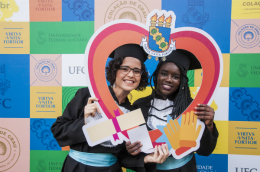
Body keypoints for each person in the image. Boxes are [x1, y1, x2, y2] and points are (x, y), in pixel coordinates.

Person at [51, 44, 169, 172]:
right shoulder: (88, 95)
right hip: (78, 168)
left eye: (136, 71)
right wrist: (84, 122)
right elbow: (58, 131)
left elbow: (124, 157)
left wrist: (132, 152)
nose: (131, 75)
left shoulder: (134, 113)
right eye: (125, 69)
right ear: (114, 70)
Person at [126, 49, 219, 172]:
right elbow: (131, 148)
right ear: (156, 74)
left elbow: (205, 151)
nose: (169, 79)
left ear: (182, 81)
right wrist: (130, 148)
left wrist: (209, 125)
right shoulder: (139, 105)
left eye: (176, 77)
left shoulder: (192, 108)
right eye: (164, 73)